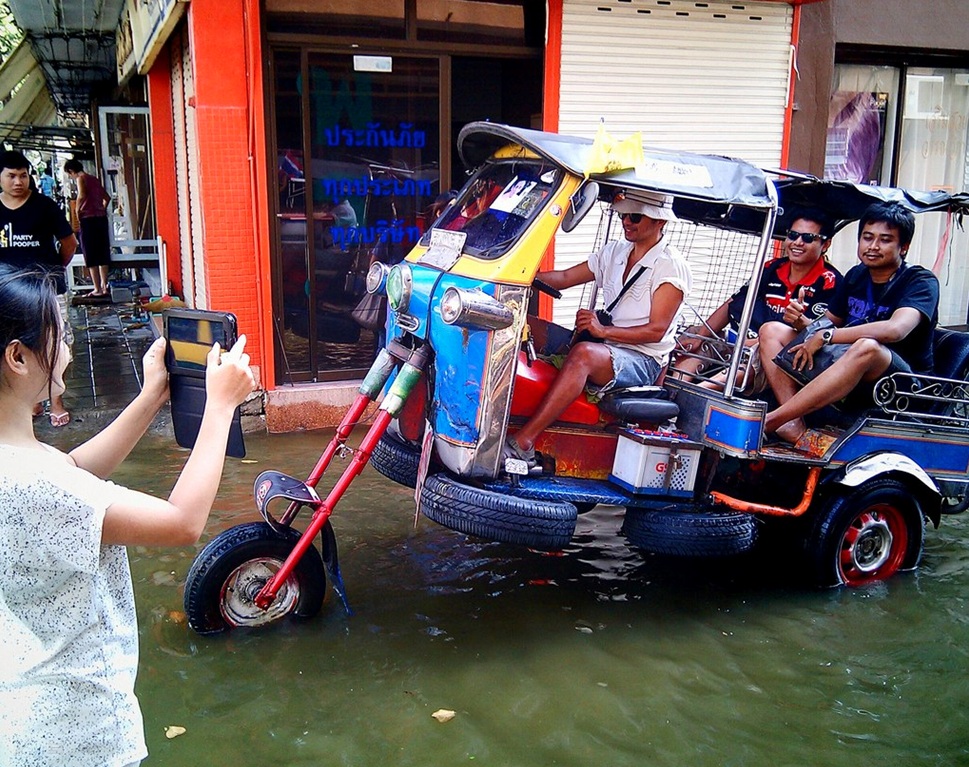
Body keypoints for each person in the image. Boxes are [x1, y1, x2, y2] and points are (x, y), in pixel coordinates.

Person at [0, 265, 255, 767]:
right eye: (61, 331)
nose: (69, 346)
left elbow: (75, 468)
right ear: (17, 356)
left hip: (27, 714)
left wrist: (152, 395)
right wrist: (221, 406)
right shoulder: (36, 487)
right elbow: (182, 521)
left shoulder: (20, 463)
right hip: (77, 735)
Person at [504, 189, 692, 467]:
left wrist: (604, 332)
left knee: (583, 354)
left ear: (659, 222)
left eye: (635, 217)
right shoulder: (616, 251)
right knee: (520, 322)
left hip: (642, 360)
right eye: (624, 215)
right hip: (605, 344)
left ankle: (524, 442)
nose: (627, 221)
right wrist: (514, 277)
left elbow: (656, 331)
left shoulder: (670, 267)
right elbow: (565, 277)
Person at [759, 201, 939, 446]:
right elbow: (828, 322)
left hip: (901, 384)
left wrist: (825, 337)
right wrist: (804, 324)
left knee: (868, 346)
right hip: (848, 364)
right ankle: (793, 422)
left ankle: (772, 420)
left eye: (885, 240)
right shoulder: (856, 275)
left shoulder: (920, 281)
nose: (873, 246)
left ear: (903, 247)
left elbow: (895, 330)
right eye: (867, 237)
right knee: (772, 330)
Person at [675, 209, 842, 393]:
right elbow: (734, 302)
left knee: (755, 356)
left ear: (825, 244)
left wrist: (747, 344)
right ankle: (676, 388)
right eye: (793, 235)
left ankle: (694, 393)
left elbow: (816, 334)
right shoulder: (771, 268)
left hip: (778, 353)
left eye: (808, 238)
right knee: (695, 337)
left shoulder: (830, 282)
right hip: (741, 340)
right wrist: (701, 335)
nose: (797, 243)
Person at [0, 149, 78, 427]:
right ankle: (29, 398)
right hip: (8, 294)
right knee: (16, 347)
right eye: (11, 176)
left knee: (55, 342)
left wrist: (54, 270)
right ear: (1, 178)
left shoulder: (45, 206)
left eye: (23, 175)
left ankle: (56, 399)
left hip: (46, 289)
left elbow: (69, 243)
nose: (18, 182)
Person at [64, 159, 112, 298]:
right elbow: (107, 198)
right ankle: (104, 286)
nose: (71, 177)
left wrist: (77, 211)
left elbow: (82, 195)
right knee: (102, 252)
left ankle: (97, 289)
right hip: (101, 219)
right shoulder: (94, 179)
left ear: (71, 171)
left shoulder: (81, 179)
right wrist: (101, 209)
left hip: (88, 219)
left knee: (90, 253)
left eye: (69, 174)